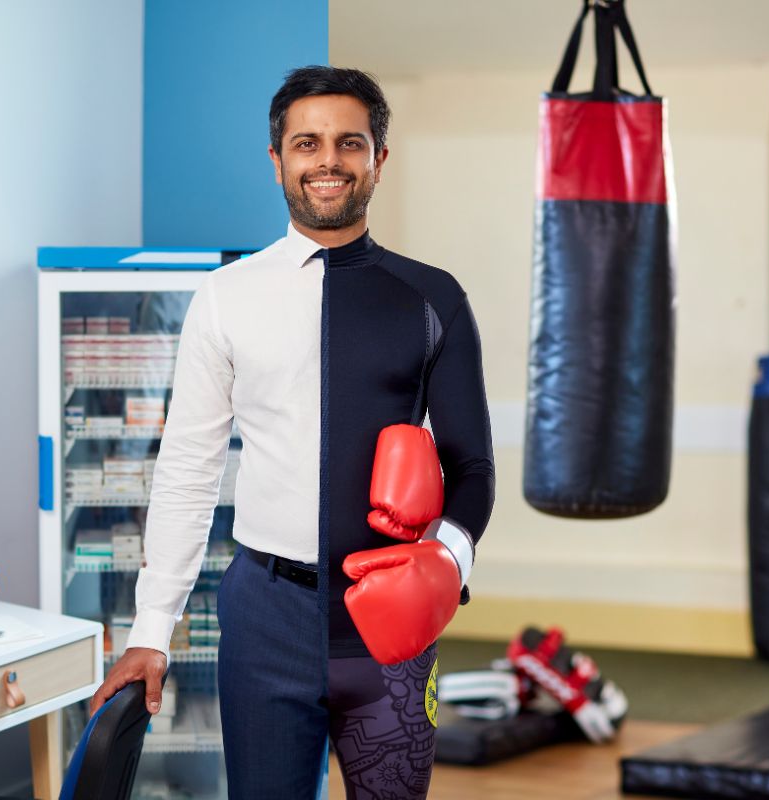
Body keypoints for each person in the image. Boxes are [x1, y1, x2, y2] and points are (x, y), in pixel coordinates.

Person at [92, 66, 495, 799]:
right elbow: (187, 467)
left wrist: (448, 559)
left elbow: (474, 467)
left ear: (379, 158)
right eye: (306, 143)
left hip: (391, 615)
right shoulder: (227, 298)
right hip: (264, 615)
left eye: (350, 142)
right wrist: (151, 627)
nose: (328, 160)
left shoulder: (433, 298)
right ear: (278, 160)